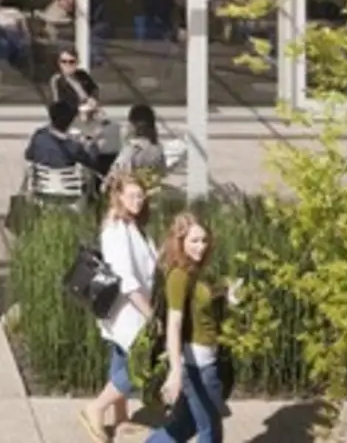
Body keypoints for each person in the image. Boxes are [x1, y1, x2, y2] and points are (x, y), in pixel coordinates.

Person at [145, 212, 242, 443]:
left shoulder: (195, 270)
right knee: (210, 429)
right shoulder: (179, 275)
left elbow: (199, 300)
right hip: (196, 364)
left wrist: (226, 293)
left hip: (205, 358)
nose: (201, 246)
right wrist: (176, 372)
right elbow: (174, 324)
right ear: (180, 242)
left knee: (185, 426)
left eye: (204, 240)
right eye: (194, 241)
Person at [81, 173, 160, 443]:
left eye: (141, 196)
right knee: (140, 365)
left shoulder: (133, 225)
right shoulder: (116, 229)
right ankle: (97, 407)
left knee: (121, 357)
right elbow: (126, 277)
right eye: (132, 196)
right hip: (129, 309)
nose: (138, 201)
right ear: (119, 196)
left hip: (131, 308)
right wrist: (151, 314)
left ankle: (121, 418)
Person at [24, 98, 95, 174]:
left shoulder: (39, 135)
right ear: (70, 121)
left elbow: (28, 155)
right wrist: (91, 143)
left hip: (43, 184)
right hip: (66, 184)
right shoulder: (74, 146)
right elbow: (91, 162)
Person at [110, 102, 168, 187]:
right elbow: (162, 172)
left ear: (133, 125)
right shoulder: (157, 148)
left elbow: (116, 174)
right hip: (152, 191)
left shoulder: (132, 149)